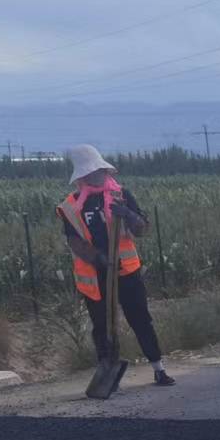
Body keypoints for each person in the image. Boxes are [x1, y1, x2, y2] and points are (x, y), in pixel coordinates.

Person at [56, 145, 175, 388]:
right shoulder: (71, 206)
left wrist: (129, 215)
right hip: (95, 276)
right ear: (82, 176)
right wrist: (97, 258)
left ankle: (158, 369)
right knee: (103, 326)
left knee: (140, 318)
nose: (97, 175)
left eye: (99, 170)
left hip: (127, 271)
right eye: (91, 172)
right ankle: (108, 373)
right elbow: (74, 241)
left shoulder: (121, 195)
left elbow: (142, 228)